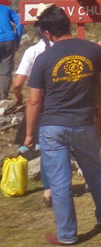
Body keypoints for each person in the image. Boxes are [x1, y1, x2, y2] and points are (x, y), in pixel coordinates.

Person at [24, 5, 101, 245]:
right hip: (84, 123)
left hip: (52, 127)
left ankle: (67, 236)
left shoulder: (43, 59)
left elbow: (34, 101)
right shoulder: (93, 50)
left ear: (48, 34)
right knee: (95, 170)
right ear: (67, 25)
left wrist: (28, 135)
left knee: (59, 182)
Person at [12, 23, 54, 206]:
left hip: (40, 104)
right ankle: (88, 183)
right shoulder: (62, 49)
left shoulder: (32, 52)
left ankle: (49, 189)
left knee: (46, 148)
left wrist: (18, 98)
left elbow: (18, 83)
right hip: (64, 102)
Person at [1, 0, 23, 99]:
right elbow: (20, 22)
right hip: (9, 40)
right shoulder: (7, 9)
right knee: (6, 70)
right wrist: (17, 38)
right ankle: (2, 98)